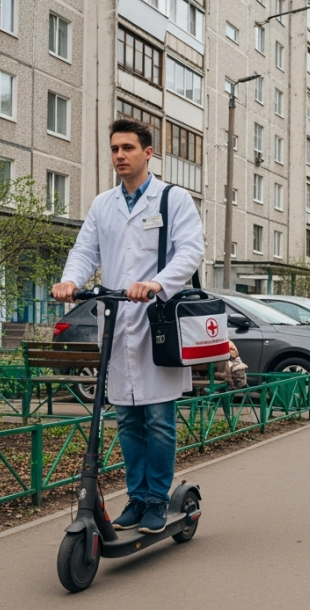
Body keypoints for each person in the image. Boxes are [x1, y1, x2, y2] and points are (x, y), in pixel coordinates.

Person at [52, 118, 204, 535]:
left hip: (157, 322)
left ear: (148, 153)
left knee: (157, 417)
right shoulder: (103, 204)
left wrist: (157, 283)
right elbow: (85, 249)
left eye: (128, 148)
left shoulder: (173, 199)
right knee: (128, 418)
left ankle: (157, 499)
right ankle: (136, 500)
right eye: (115, 149)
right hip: (117, 322)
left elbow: (190, 250)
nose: (120, 155)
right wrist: (70, 281)